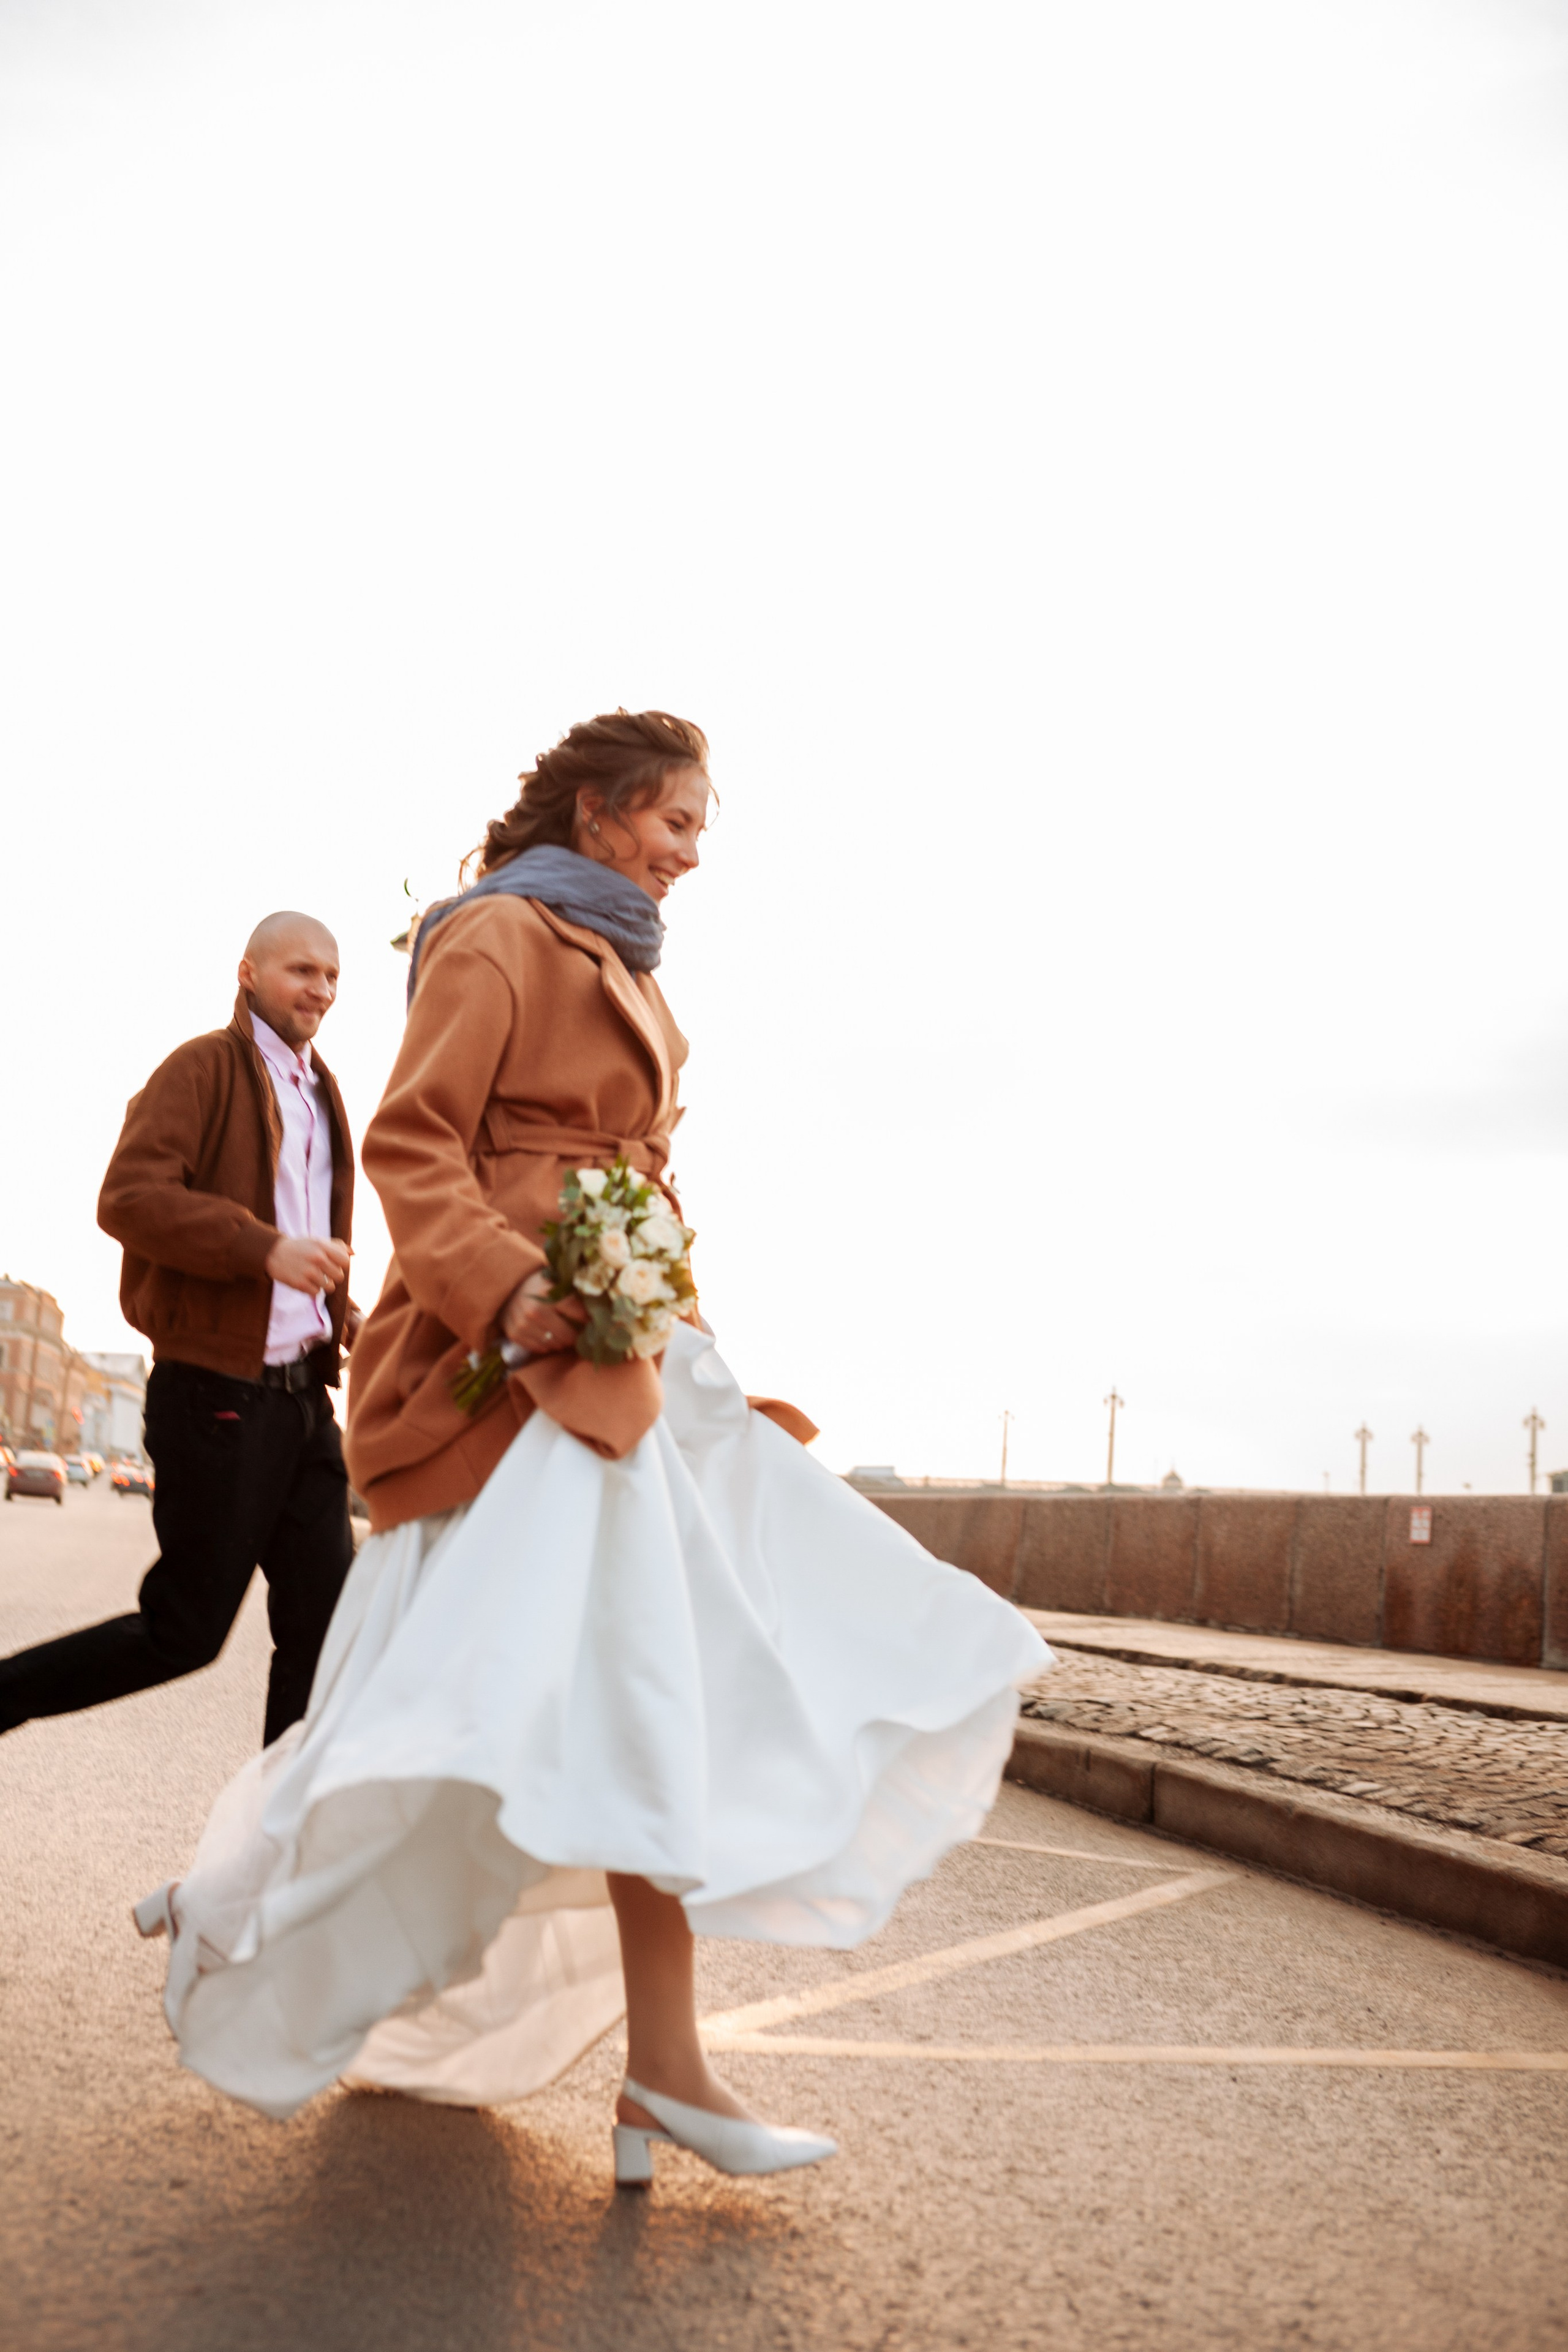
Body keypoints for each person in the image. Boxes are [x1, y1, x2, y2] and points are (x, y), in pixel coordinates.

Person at [132, 712, 1051, 2181]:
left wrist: (669, 1327)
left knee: (603, 1686)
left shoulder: (616, 962)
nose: (692, 856)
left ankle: (651, 2067)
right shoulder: (500, 936)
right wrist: (518, 1295)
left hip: (618, 1346)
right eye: (678, 824)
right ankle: (276, 1901)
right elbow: (416, 1146)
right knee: (549, 1686)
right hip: (517, 1357)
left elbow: (630, 1178)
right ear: (604, 810)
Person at [0, 913, 358, 1748]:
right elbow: (128, 1199)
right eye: (303, 970)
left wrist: (344, 1316)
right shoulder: (202, 1069)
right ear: (249, 974)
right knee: (186, 1632)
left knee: (329, 1634)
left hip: (305, 1402)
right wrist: (264, 1249)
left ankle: (276, 1851)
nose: (322, 990)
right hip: (217, 1398)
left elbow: (306, 1241)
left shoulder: (321, 1091)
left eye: (334, 977)